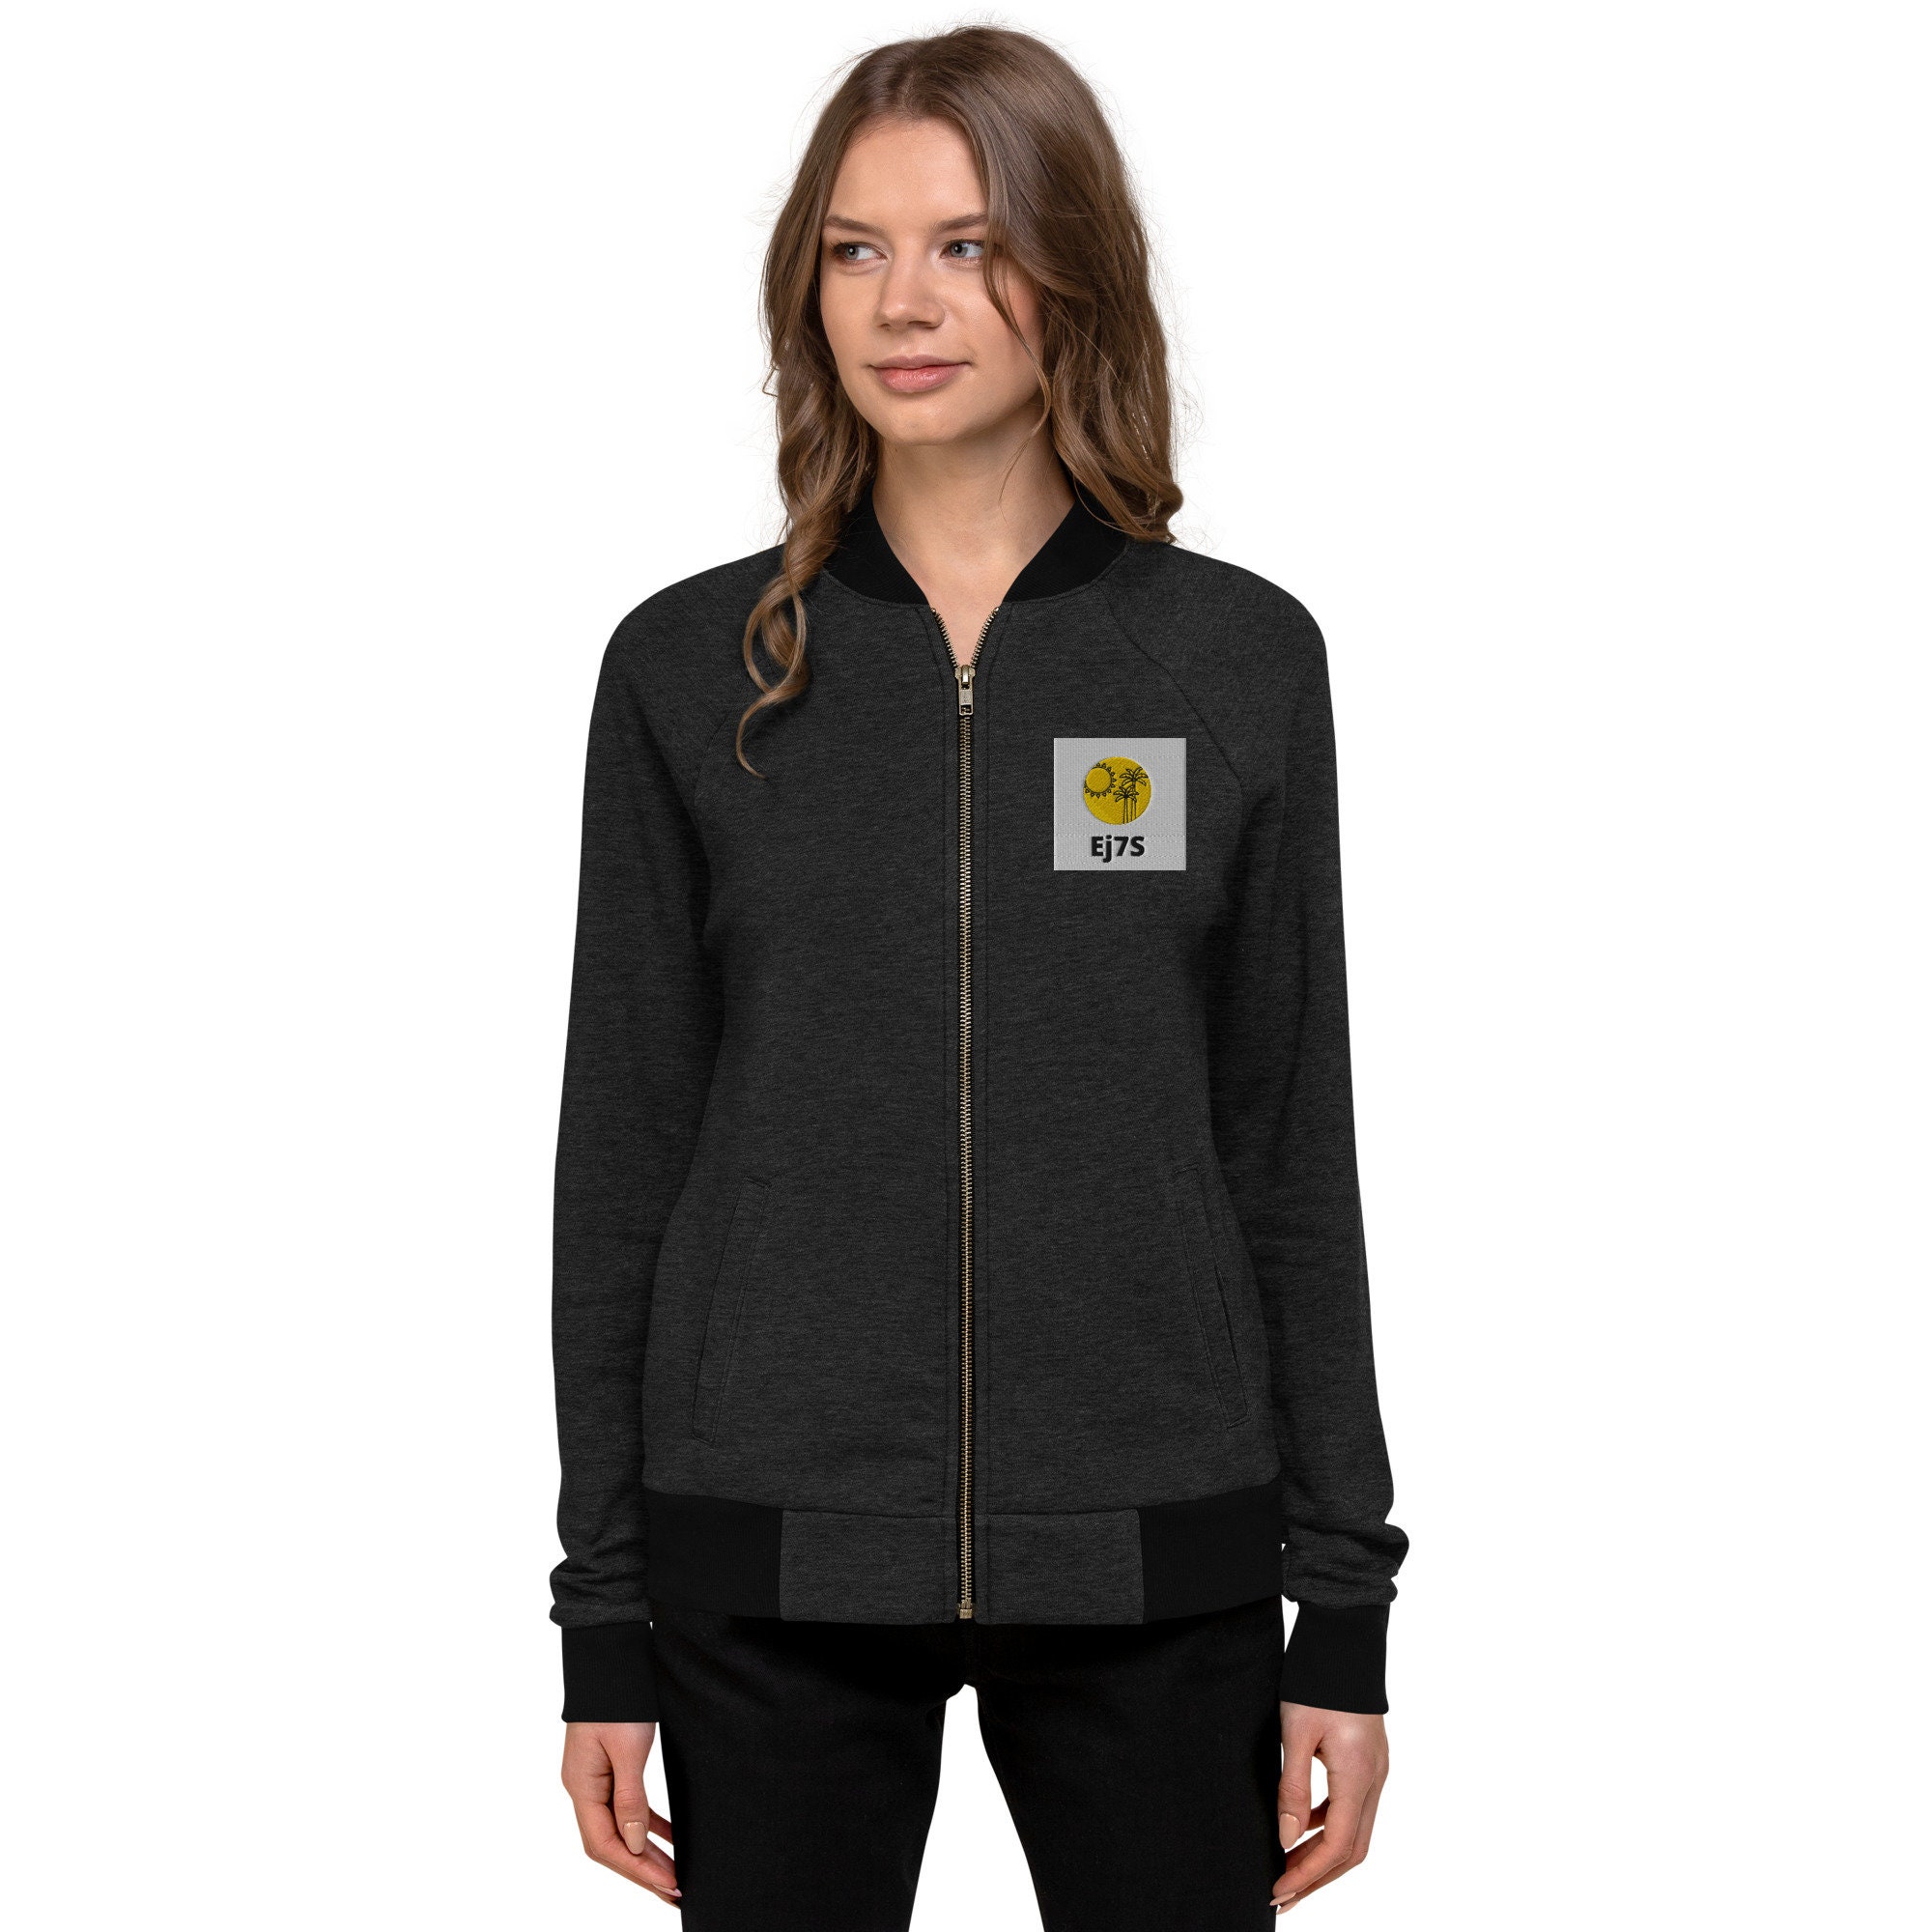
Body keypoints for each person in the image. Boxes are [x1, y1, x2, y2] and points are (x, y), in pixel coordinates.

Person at [550, 26, 1406, 1930]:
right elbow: (623, 1157)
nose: (901, 302)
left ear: (1070, 269)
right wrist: (602, 1614)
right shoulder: (693, 670)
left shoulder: (1230, 664)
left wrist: (1341, 1602)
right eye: (853, 249)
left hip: (1153, 1557)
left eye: (966, 244)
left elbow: (1288, 1139)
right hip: (766, 1561)